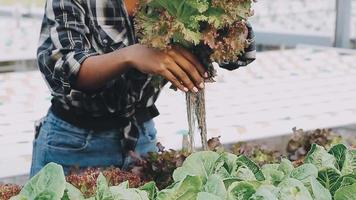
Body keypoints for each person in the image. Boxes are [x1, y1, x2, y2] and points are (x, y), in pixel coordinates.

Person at [30, 0, 256, 177]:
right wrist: (130, 56)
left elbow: (237, 55)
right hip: (74, 143)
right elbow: (64, 68)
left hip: (141, 138)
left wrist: (230, 26)